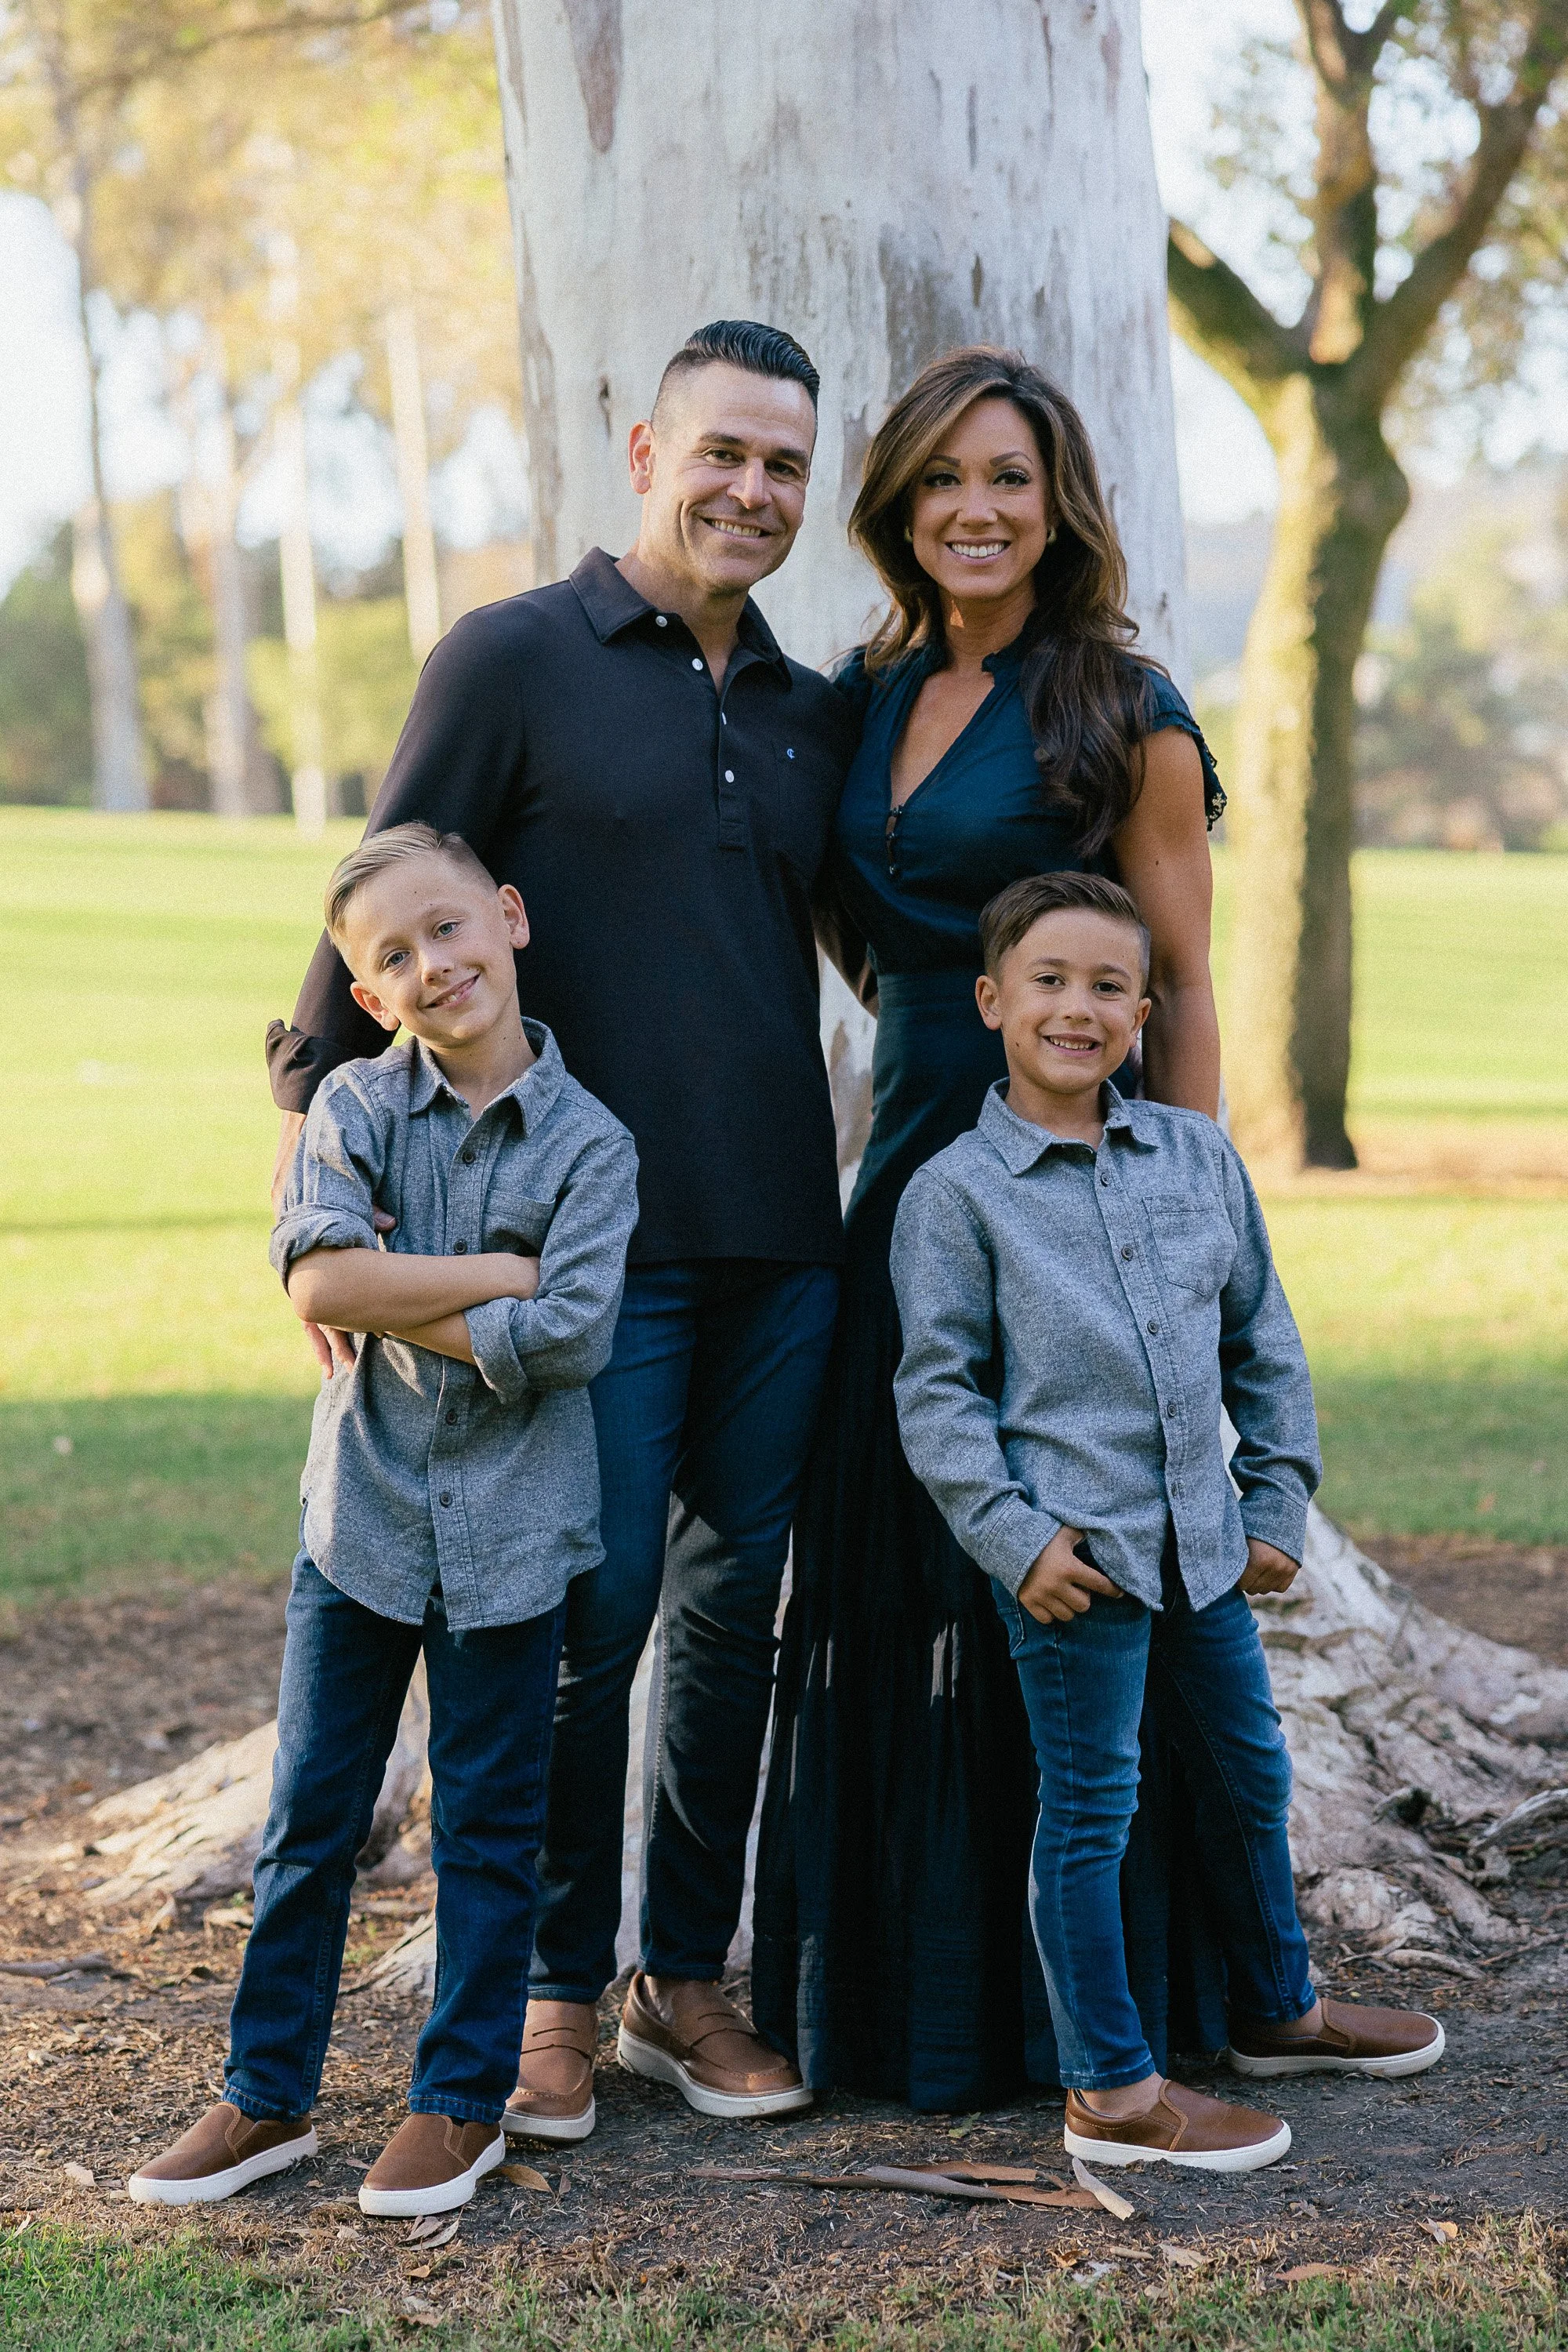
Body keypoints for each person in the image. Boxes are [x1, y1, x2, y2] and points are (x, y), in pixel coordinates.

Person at [266, 323, 855, 2140]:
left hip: (782, 1237)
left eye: (783, 466)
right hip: (570, 1253)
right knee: (580, 1617)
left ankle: (688, 1980)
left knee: (731, 1617)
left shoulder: (808, 710)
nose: (751, 490)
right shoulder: (511, 657)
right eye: (722, 453)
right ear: (642, 448)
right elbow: (376, 912)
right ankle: (550, 1990)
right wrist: (314, 1171)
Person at [753, 346, 1229, 2111]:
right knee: (904, 1578)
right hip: (904, 1194)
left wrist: (1182, 1232)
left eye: (1010, 479)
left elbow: (1179, 984)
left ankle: (1113, 2017)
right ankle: (903, 2006)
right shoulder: (865, 692)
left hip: (1078, 1202)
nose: (976, 509)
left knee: (1079, 1582)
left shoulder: (1122, 707)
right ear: (898, 504)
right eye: (944, 479)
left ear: (1059, 504)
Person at [887, 871, 1443, 2169]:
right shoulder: (957, 1196)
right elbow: (939, 1397)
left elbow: (1266, 1341)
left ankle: (1279, 2007)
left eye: (1107, 987)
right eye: (1050, 981)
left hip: (1207, 1549)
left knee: (1253, 1777)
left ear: (1143, 1011)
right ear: (990, 1001)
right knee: (1091, 1813)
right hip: (1078, 1570)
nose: (1078, 1008)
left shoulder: (1195, 1157)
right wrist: (1017, 1539)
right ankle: (1113, 2091)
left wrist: (1278, 1500)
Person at [130, 825, 638, 2216]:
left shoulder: (595, 1142)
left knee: (487, 1827)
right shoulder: (354, 1108)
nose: (433, 967)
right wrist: (492, 1276)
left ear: (511, 920)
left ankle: (459, 2099)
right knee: (311, 1819)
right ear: (366, 995)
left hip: (517, 1538)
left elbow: (577, 1333)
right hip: (358, 1522)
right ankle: (265, 2096)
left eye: (450, 931)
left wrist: (392, 1276)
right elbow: (318, 1291)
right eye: (394, 958)